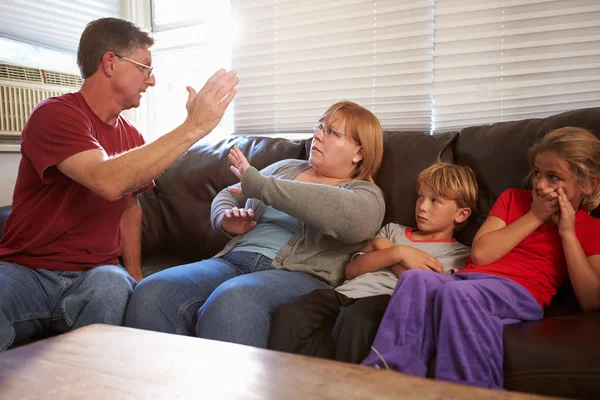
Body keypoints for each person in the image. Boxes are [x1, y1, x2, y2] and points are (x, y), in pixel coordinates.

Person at [0, 17, 238, 351]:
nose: (151, 80)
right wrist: (193, 128)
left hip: (95, 275)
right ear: (110, 63)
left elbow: (129, 206)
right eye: (144, 68)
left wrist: (136, 273)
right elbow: (107, 181)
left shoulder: (132, 136)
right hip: (26, 272)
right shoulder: (54, 115)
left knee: (114, 285)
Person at [125, 101, 386, 348]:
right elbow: (230, 193)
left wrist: (261, 186)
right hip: (233, 261)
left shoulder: (365, 195)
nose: (317, 135)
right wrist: (225, 218)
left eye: (331, 132)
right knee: (152, 293)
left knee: (235, 301)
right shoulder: (286, 168)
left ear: (358, 152)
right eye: (320, 126)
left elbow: (353, 222)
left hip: (298, 276)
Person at [362, 127, 600, 389]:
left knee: (458, 295)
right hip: (469, 280)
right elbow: (482, 254)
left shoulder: (589, 228)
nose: (540, 185)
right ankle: (389, 376)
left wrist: (567, 232)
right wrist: (535, 216)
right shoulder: (513, 200)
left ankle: (470, 390)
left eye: (553, 177)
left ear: (589, 184)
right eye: (537, 173)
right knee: (415, 278)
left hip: (520, 293)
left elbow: (591, 300)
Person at [268, 162, 478, 363]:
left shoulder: (458, 255)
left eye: (435, 201)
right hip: (345, 293)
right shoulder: (392, 231)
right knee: (290, 310)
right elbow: (351, 270)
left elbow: (421, 290)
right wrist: (397, 252)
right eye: (420, 197)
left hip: (387, 301)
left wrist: (387, 250)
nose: (422, 207)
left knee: (357, 319)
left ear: (461, 214)